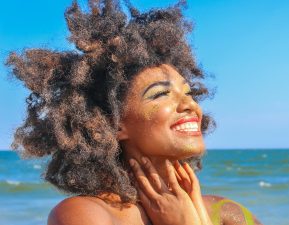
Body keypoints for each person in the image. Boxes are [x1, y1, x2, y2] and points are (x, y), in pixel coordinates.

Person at [6, 0, 263, 224]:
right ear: (113, 124)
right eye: (161, 93)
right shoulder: (86, 214)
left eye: (189, 93)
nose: (190, 105)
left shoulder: (227, 212)